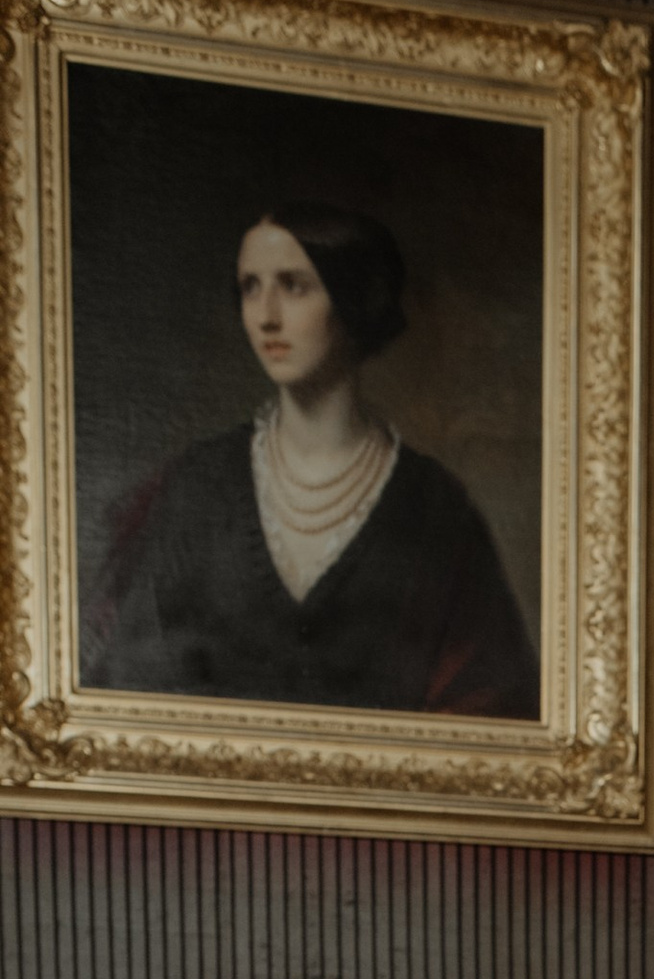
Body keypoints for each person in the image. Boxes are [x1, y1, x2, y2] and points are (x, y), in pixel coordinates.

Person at [83, 203, 537, 716]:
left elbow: (494, 715)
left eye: (294, 285)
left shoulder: (437, 512)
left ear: (352, 296)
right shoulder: (195, 486)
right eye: (251, 287)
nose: (266, 315)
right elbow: (121, 689)